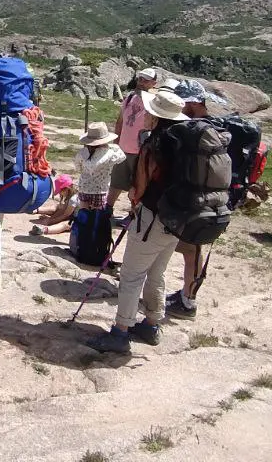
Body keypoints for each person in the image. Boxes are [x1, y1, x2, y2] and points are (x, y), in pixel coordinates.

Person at [88, 89, 189, 355]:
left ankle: (120, 333)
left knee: (132, 276)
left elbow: (139, 188)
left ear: (156, 117)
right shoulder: (187, 142)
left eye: (149, 112)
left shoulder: (154, 144)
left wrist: (135, 202)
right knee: (157, 273)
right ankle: (152, 324)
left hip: (152, 217)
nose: (144, 115)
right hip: (178, 219)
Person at [165, 80, 229, 320]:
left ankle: (187, 303)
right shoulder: (217, 130)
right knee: (193, 250)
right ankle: (187, 297)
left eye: (182, 103)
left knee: (183, 249)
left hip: (188, 202)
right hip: (212, 202)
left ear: (192, 103)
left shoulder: (191, 132)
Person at [109, 68, 159, 214]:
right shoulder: (130, 97)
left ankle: (133, 214)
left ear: (154, 83)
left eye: (146, 80)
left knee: (138, 186)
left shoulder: (154, 102)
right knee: (116, 182)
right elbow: (120, 122)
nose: (141, 82)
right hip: (123, 149)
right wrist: (116, 144)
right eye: (140, 79)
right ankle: (108, 210)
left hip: (140, 151)